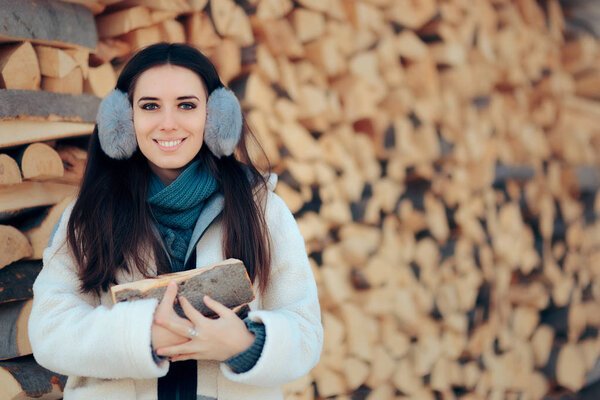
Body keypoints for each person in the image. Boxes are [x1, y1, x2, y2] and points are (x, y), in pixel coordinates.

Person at [28, 42, 323, 400]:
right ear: (122, 119)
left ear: (216, 118)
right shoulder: (89, 215)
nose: (168, 124)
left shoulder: (263, 212)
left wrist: (245, 344)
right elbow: (49, 331)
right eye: (150, 106)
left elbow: (306, 335)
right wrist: (142, 337)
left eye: (186, 105)